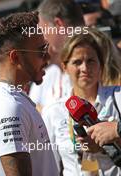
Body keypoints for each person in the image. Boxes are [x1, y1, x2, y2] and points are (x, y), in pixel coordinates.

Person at [0, 11, 58, 176]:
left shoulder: (8, 98)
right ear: (15, 57)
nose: (47, 57)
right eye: (41, 50)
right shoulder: (8, 106)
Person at [42, 29, 121, 175]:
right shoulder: (54, 111)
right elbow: (49, 168)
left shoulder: (118, 97)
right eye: (77, 62)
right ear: (64, 67)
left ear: (101, 65)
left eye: (90, 61)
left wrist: (115, 134)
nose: (85, 68)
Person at [29, 0, 85, 112]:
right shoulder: (49, 74)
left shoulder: (103, 61)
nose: (42, 38)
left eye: (42, 30)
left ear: (59, 24)